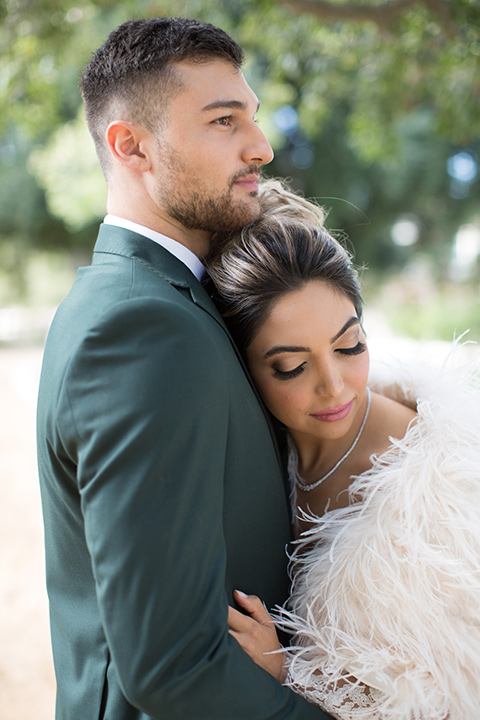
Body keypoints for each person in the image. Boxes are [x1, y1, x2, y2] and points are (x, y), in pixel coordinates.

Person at [36, 18, 330, 720]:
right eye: (224, 121)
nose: (260, 146)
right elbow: (171, 667)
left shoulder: (169, 300)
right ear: (130, 145)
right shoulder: (140, 327)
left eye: (252, 118)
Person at [207, 180, 480, 720]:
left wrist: (288, 673)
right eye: (291, 366)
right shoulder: (258, 452)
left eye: (349, 345)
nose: (334, 386)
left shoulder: (441, 482)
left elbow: (448, 698)